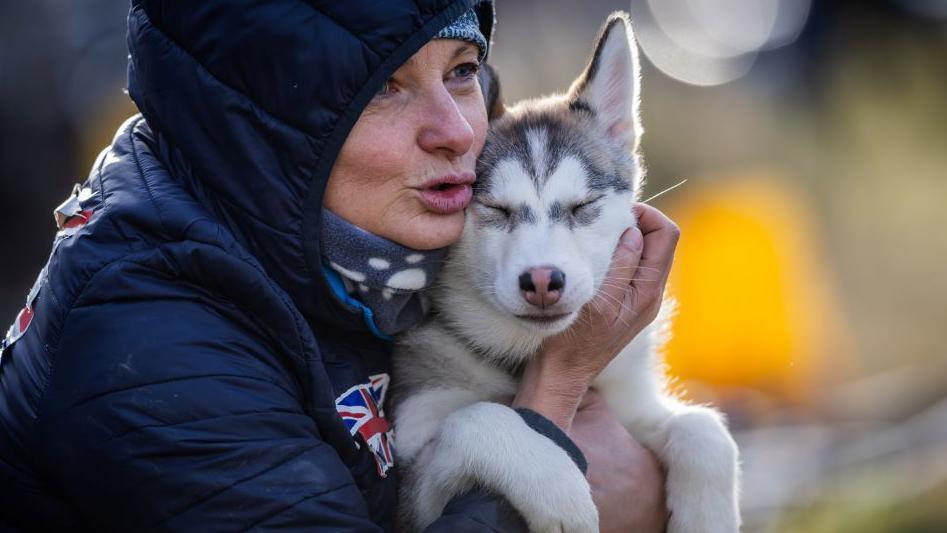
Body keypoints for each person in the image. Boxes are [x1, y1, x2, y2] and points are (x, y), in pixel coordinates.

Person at [0, 1, 676, 530]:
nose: (460, 130)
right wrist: (553, 401)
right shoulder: (154, 337)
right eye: (385, 83)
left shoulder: (367, 260)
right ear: (268, 108)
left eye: (462, 70)